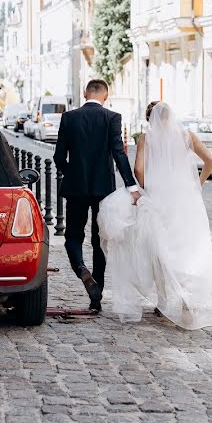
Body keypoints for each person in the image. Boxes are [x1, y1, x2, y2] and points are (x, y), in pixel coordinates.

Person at [97, 101, 212, 330]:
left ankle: (163, 301)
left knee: (159, 248)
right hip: (185, 199)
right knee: (186, 247)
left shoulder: (145, 139)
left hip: (158, 198)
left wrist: (145, 188)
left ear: (150, 119)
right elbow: (210, 161)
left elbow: (139, 169)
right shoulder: (185, 135)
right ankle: (187, 294)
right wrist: (197, 185)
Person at [53, 80, 139, 313]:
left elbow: (59, 156)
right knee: (99, 240)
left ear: (84, 93)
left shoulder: (69, 118)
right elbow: (119, 153)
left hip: (75, 188)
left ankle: (82, 270)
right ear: (106, 95)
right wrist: (131, 186)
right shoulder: (112, 117)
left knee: (72, 236)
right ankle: (96, 298)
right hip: (104, 190)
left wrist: (72, 173)